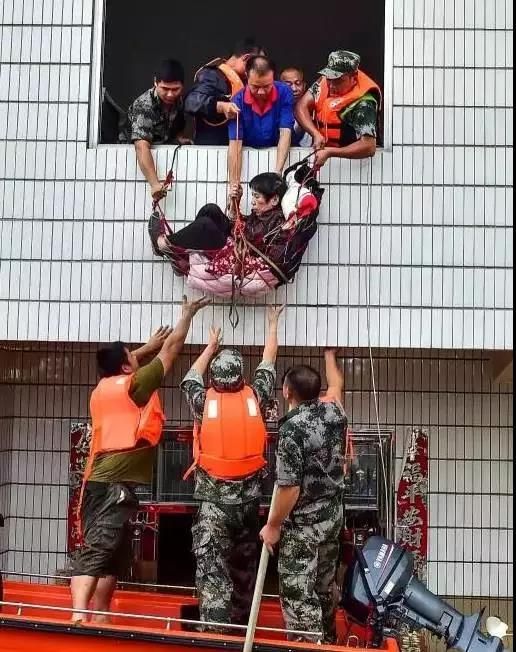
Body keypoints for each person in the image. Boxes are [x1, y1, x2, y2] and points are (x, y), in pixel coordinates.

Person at [70, 296, 210, 623]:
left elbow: (128, 363)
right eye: (132, 355)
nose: (138, 355)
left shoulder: (104, 387)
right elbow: (171, 349)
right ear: (125, 366)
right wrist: (187, 315)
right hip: (112, 484)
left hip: (104, 481)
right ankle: (76, 616)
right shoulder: (135, 385)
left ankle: (101, 616)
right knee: (98, 547)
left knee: (113, 554)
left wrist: (145, 348)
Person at [181, 306, 285, 629]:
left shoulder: (202, 402)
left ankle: (216, 632)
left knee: (213, 569)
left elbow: (189, 378)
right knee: (244, 565)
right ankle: (243, 625)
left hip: (214, 506)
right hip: (248, 504)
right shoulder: (256, 395)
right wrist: (272, 323)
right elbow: (269, 361)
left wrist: (210, 346)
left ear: (213, 379)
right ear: (242, 377)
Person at [260, 349, 347, 644]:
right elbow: (337, 385)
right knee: (324, 590)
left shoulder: (291, 430)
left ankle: (309, 645)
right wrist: (330, 355)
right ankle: (329, 642)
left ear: (287, 391)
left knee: (299, 597)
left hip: (304, 528)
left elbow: (289, 488)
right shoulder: (334, 413)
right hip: (331, 520)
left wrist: (273, 525)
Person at [295, 50, 381, 169]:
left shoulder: (364, 103)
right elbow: (301, 106)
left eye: (338, 80)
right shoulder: (325, 81)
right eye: (329, 78)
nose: (331, 85)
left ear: (353, 77)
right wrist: (315, 133)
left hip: (354, 167)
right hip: (323, 157)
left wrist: (330, 152)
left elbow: (369, 147)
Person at [120, 59, 191, 201]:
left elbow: (177, 124)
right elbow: (141, 147)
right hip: (129, 162)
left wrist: (179, 138)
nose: (170, 94)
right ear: (155, 83)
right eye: (165, 88)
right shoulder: (144, 105)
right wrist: (154, 184)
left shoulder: (181, 101)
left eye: (175, 89)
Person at [228, 56, 294, 186]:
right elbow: (235, 144)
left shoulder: (284, 92)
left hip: (277, 151)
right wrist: (234, 184)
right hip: (249, 154)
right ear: (246, 76)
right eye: (255, 86)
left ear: (273, 77)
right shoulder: (237, 101)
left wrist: (278, 173)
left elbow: (285, 132)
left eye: (267, 86)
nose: (261, 92)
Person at [185, 38, 264, 146]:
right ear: (247, 58)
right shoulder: (214, 75)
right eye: (258, 66)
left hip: (238, 147)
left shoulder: (246, 82)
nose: (259, 72)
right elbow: (191, 102)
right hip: (212, 150)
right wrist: (220, 106)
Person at [280, 67, 312, 147]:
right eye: (288, 85)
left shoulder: (315, 111)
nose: (294, 89)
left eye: (298, 83)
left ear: (304, 85)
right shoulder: (275, 111)